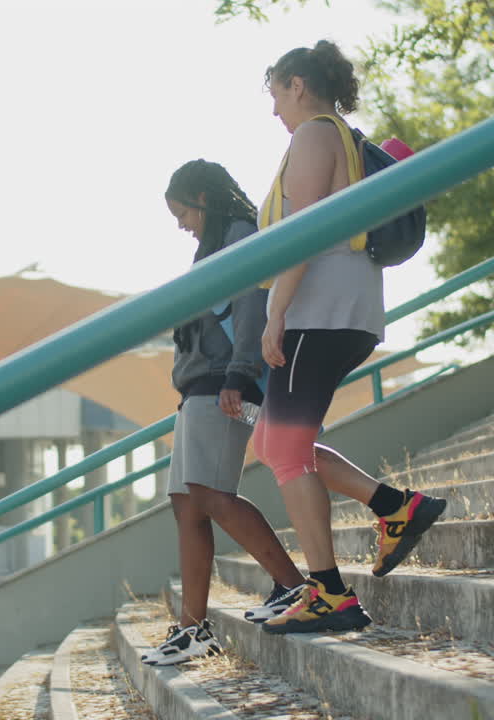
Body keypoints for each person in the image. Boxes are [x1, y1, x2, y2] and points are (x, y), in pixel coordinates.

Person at [251, 40, 447, 635]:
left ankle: (330, 594)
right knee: (275, 444)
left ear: (298, 85)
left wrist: (274, 315)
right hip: (341, 309)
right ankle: (395, 507)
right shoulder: (341, 135)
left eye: (275, 94)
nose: (274, 110)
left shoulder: (313, 134)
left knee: (283, 451)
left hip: (320, 312)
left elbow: (304, 235)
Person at [141, 159, 310, 666]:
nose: (180, 224)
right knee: (187, 504)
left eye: (183, 212)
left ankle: (294, 587)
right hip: (197, 388)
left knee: (213, 495)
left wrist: (239, 372)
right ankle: (193, 629)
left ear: (204, 199)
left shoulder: (237, 233)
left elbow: (251, 305)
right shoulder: (212, 243)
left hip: (221, 384)